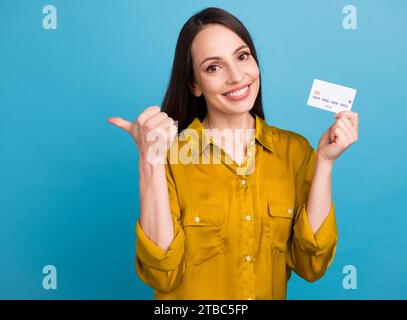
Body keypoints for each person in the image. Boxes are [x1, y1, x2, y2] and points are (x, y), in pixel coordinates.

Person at [108, 7, 358, 300]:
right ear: (194, 85)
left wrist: (325, 163)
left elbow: (311, 265)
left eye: (242, 56)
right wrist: (149, 162)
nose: (237, 76)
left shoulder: (296, 151)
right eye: (214, 67)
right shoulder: (169, 156)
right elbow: (162, 274)